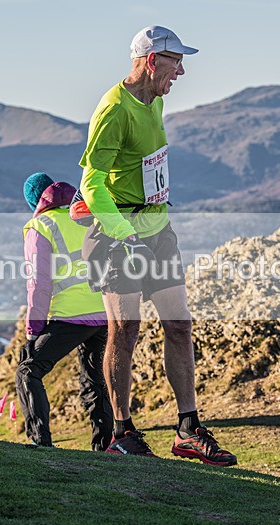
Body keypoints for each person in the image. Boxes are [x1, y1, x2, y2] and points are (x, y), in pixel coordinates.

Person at [76, 25, 237, 466]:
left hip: (158, 229)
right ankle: (122, 432)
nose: (181, 72)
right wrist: (123, 233)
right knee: (125, 330)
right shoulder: (114, 110)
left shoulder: (156, 100)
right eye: (175, 62)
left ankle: (188, 429)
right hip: (118, 237)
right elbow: (92, 183)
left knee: (179, 325)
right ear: (151, 61)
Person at [15, 173, 113, 451]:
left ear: (35, 202)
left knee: (28, 370)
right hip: (105, 310)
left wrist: (34, 330)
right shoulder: (87, 214)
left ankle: (40, 441)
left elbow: (39, 283)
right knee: (96, 380)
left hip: (70, 316)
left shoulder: (40, 226)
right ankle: (105, 446)